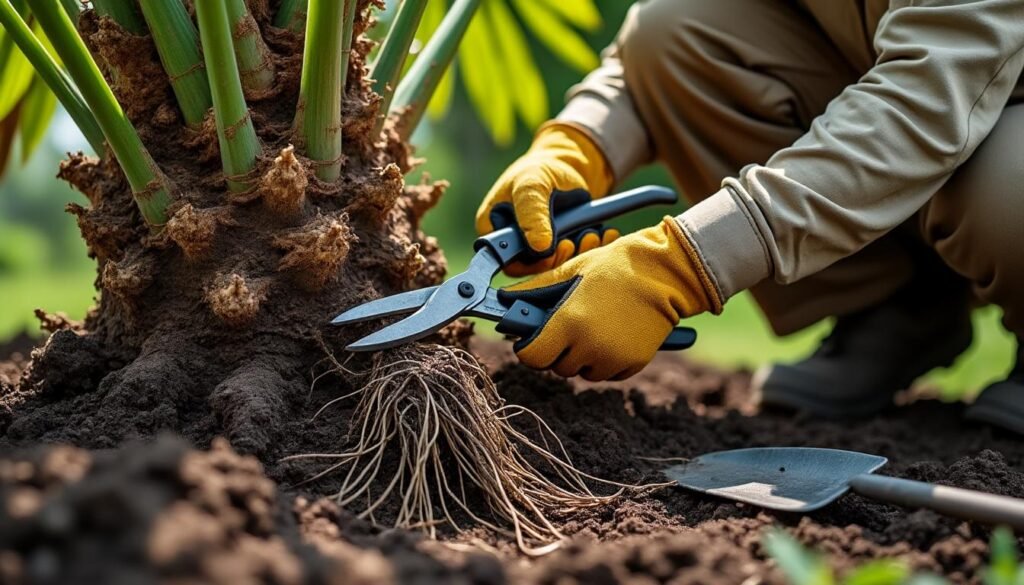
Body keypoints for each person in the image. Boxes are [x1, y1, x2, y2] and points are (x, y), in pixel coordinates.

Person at [477, 0, 1024, 433]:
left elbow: (917, 111)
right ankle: (899, 309)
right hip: (912, 93)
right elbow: (667, 37)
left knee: (1005, 186)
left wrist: (679, 265)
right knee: (669, 30)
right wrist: (579, 144)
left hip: (978, 116)